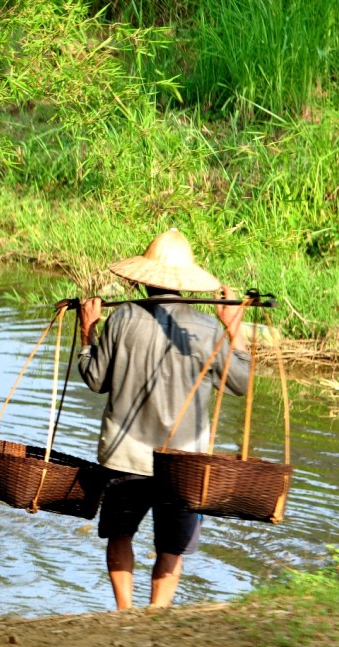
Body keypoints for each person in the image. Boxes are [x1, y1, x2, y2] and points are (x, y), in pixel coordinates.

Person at [76, 228, 251, 610]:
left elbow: (94, 379)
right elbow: (241, 382)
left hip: (126, 456)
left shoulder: (122, 319)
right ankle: (158, 615)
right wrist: (233, 327)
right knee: (172, 546)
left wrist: (88, 330)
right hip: (183, 464)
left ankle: (124, 612)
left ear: (144, 279)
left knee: (119, 534)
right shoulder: (207, 329)